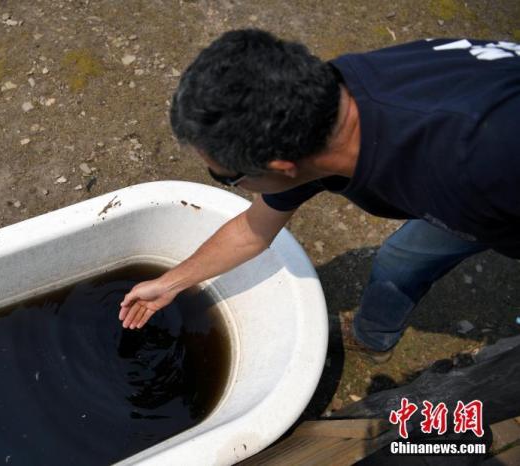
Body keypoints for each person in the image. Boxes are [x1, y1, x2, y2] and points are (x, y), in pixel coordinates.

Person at [118, 29, 520, 363]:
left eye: (227, 178)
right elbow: (251, 229)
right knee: (404, 256)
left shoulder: (477, 169)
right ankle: (374, 335)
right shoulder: (322, 106)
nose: (229, 184)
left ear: (282, 167)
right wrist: (171, 283)